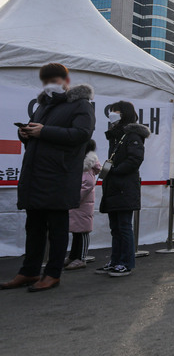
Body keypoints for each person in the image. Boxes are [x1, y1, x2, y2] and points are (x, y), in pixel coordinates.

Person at [2, 63, 95, 292]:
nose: (49, 83)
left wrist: (43, 131)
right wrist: (26, 133)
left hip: (59, 176)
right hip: (35, 174)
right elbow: (39, 134)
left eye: (54, 79)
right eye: (46, 79)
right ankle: (29, 271)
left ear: (66, 79)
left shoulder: (81, 104)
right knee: (33, 226)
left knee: (57, 227)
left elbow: (82, 134)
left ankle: (52, 273)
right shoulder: (43, 105)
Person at [95, 101, 149, 278]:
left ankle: (126, 262)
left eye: (116, 111)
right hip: (114, 186)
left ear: (124, 113)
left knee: (124, 226)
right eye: (111, 111)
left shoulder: (132, 135)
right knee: (115, 227)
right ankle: (116, 260)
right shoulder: (117, 135)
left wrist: (115, 171)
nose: (112, 114)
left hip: (124, 187)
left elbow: (135, 160)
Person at [66, 140, 101, 270]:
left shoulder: (86, 167)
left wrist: (72, 197)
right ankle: (74, 256)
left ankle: (81, 258)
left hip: (81, 204)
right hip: (78, 204)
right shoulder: (82, 164)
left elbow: (86, 185)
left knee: (83, 232)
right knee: (77, 231)